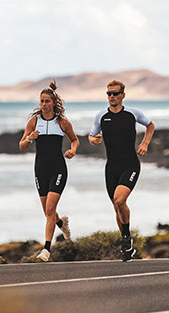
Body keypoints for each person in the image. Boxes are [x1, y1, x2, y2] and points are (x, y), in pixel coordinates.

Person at [89, 80, 155, 262]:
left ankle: (126, 239)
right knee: (117, 207)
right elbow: (92, 135)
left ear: (123, 95)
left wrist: (145, 143)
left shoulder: (133, 114)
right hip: (111, 168)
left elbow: (150, 125)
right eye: (109, 93)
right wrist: (94, 140)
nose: (111, 96)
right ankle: (127, 242)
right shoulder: (101, 116)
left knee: (120, 200)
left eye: (115, 93)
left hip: (130, 165)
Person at [19, 80, 79, 262]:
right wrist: (29, 138)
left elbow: (75, 140)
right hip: (40, 171)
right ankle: (62, 224)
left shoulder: (62, 122)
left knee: (50, 208)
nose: (44, 104)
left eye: (47, 101)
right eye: (41, 101)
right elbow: (21, 146)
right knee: (48, 213)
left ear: (53, 103)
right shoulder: (33, 122)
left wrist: (73, 150)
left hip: (58, 169)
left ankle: (46, 250)